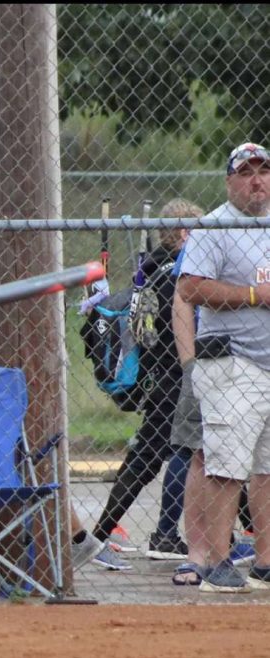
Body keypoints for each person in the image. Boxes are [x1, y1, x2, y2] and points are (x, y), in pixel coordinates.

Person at [177, 142, 270, 592]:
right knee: (226, 466)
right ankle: (215, 563)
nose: (257, 180)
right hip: (233, 364)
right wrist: (254, 296)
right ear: (230, 180)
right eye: (247, 172)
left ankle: (265, 564)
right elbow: (190, 288)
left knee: (267, 469)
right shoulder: (215, 226)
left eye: (264, 171)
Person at [89, 198, 204, 562]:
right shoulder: (177, 272)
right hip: (177, 375)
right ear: (184, 232)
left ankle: (101, 533)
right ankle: (157, 534)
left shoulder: (153, 268)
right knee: (181, 453)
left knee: (155, 457)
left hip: (160, 377)